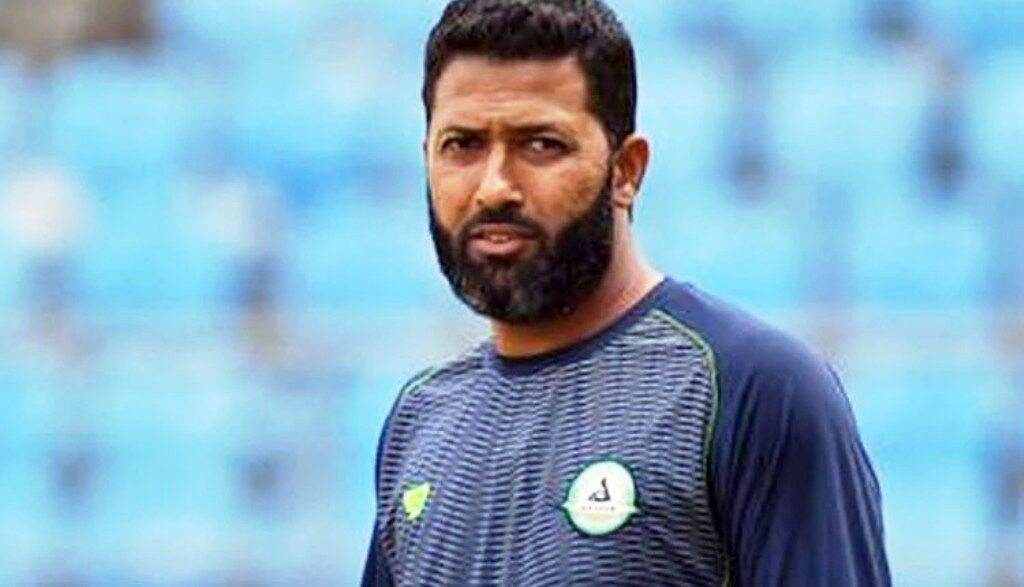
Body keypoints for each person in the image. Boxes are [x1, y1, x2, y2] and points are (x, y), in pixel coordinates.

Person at [362, 0, 891, 585]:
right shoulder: (420, 420)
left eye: (541, 144)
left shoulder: (752, 388)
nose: (494, 187)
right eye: (462, 145)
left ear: (626, 170)